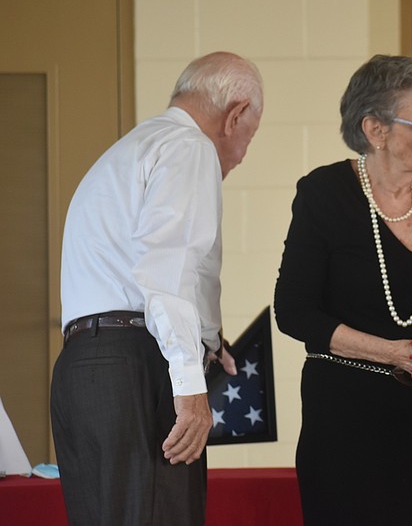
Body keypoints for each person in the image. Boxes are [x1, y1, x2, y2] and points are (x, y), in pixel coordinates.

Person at [50, 52, 263, 526]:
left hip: (82, 371)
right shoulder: (191, 148)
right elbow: (168, 270)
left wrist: (209, 340)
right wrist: (187, 384)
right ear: (235, 115)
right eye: (251, 135)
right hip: (137, 370)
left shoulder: (126, 152)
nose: (244, 154)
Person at [274, 54, 412, 526]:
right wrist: (392, 353)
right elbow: (294, 311)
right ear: (375, 129)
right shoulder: (323, 192)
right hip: (346, 415)